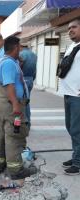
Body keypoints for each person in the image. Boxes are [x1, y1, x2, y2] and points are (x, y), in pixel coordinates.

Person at [0, 36, 36, 180]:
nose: (20, 50)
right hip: (10, 105)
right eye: (19, 48)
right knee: (13, 136)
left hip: (0, 104)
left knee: (1, 135)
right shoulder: (9, 63)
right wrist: (16, 105)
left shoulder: (2, 61)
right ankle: (16, 170)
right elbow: (9, 85)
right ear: (15, 47)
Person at [58, 18, 80, 175]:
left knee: (77, 130)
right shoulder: (72, 46)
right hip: (68, 94)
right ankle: (76, 156)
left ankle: (78, 163)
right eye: (69, 28)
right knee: (71, 128)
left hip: (77, 96)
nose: (70, 30)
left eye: (74, 27)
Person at [19, 45, 37, 125]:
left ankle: (25, 122)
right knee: (27, 101)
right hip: (30, 79)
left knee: (23, 102)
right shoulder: (34, 55)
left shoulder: (22, 54)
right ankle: (27, 121)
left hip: (23, 79)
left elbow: (20, 65)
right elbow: (35, 69)